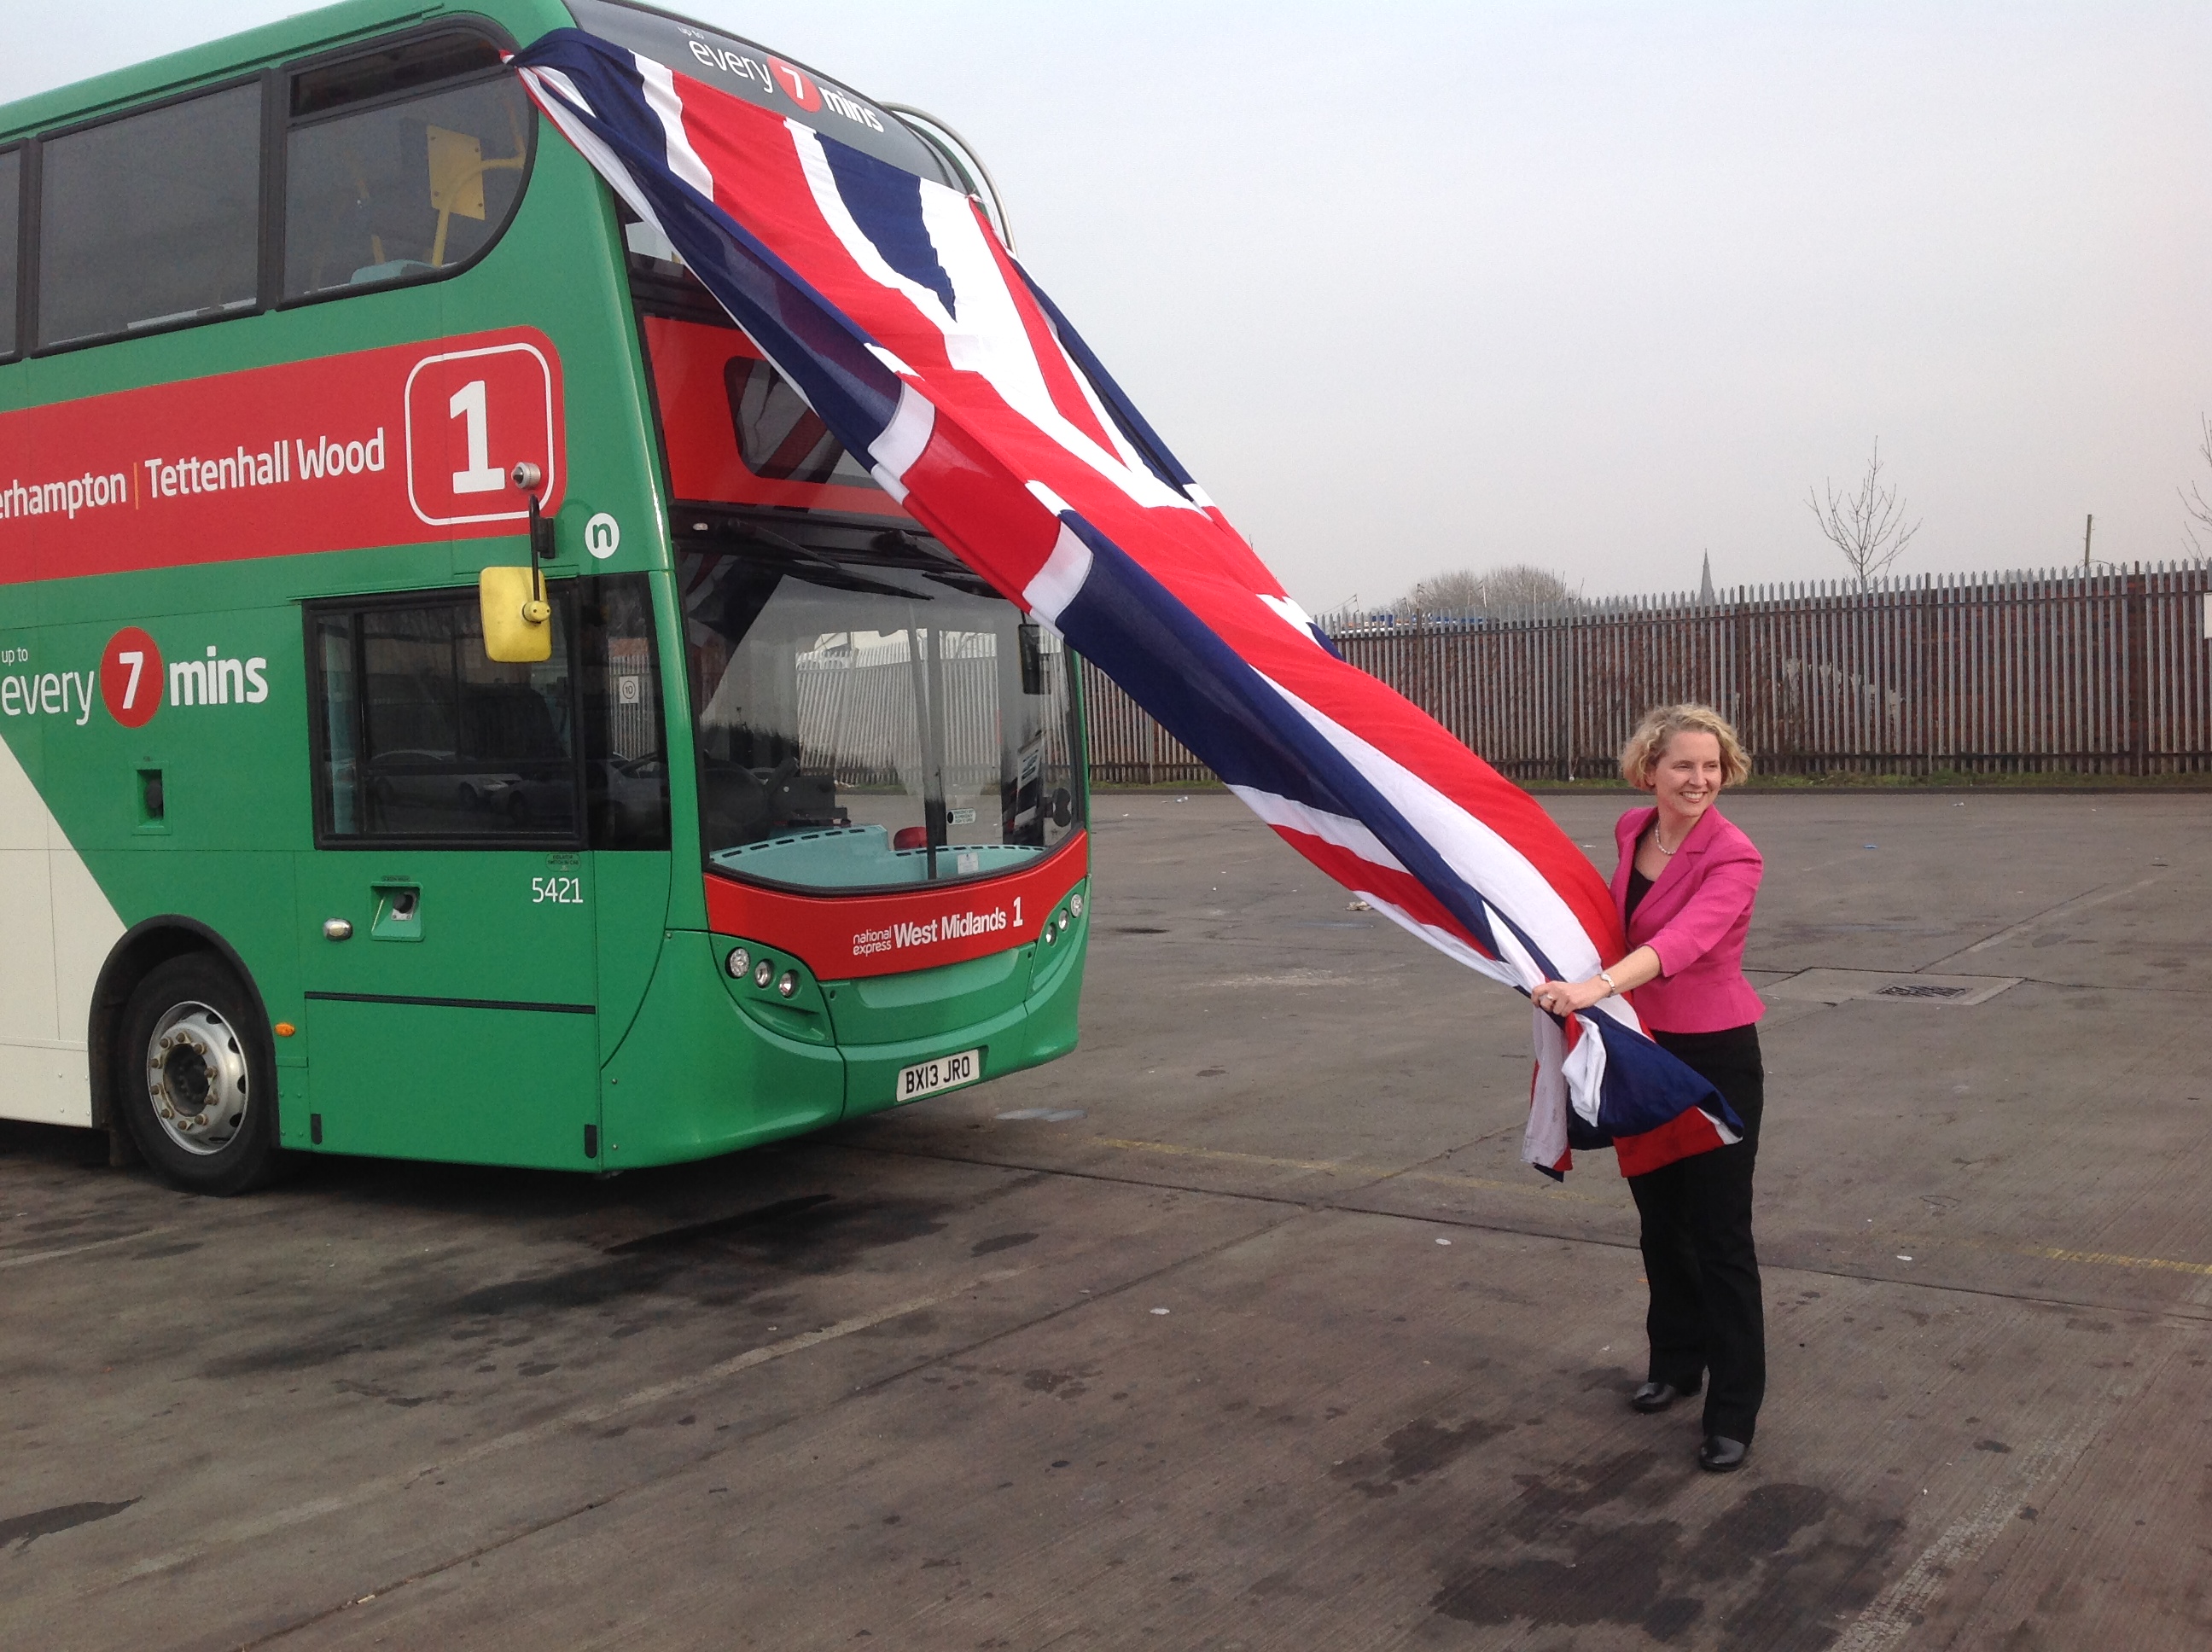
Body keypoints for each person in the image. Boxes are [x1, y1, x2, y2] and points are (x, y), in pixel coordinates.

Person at [1532, 703, 1767, 1474]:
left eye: (1712, 767)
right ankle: (1675, 1363)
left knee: (1721, 1235)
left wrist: (1594, 987)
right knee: (1661, 1223)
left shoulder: (1734, 856)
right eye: (1684, 766)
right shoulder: (1633, 829)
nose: (1700, 780)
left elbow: (1682, 942)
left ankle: (1733, 1410)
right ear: (1650, 770)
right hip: (1642, 1047)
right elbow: (1607, 920)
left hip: (1714, 1056)